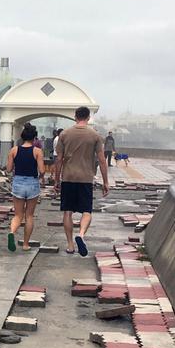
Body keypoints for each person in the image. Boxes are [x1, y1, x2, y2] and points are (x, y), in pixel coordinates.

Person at [54, 107, 109, 257]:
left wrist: (56, 179)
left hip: (68, 177)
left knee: (67, 212)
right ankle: (82, 234)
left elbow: (58, 159)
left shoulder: (64, 134)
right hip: (86, 178)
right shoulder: (95, 135)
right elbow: (102, 160)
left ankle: (70, 245)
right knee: (86, 211)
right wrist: (105, 182)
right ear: (89, 117)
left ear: (75, 117)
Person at [6, 123, 46, 252]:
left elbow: (8, 169)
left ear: (22, 137)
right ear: (34, 138)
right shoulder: (37, 151)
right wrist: (41, 176)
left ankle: (12, 232)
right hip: (32, 183)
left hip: (18, 182)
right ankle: (25, 244)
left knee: (18, 215)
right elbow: (42, 170)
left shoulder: (14, 150)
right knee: (29, 216)